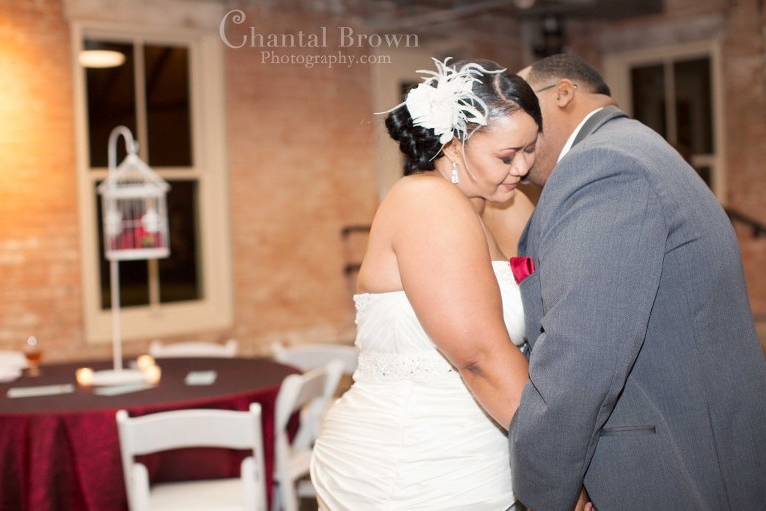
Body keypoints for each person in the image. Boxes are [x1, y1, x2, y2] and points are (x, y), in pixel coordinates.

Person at [508, 53, 766, 510]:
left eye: (525, 108)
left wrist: (541, 489)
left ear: (563, 94)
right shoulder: (636, 146)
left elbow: (582, 352)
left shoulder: (603, 165)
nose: (517, 129)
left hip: (659, 465)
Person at [310, 58, 540, 510]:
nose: (523, 166)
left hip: (483, 454)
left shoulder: (503, 203)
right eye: (507, 155)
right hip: (413, 465)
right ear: (453, 146)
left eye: (531, 148)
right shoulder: (425, 201)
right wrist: (560, 458)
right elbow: (479, 358)